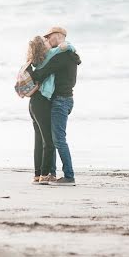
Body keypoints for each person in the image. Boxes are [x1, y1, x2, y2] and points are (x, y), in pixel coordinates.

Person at [28, 26, 81, 186]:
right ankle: (50, 173)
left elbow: (44, 71)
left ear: (58, 36)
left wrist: (31, 75)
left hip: (61, 100)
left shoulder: (63, 54)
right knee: (51, 138)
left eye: (49, 37)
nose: (48, 40)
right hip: (60, 99)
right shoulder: (64, 53)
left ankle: (68, 176)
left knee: (57, 139)